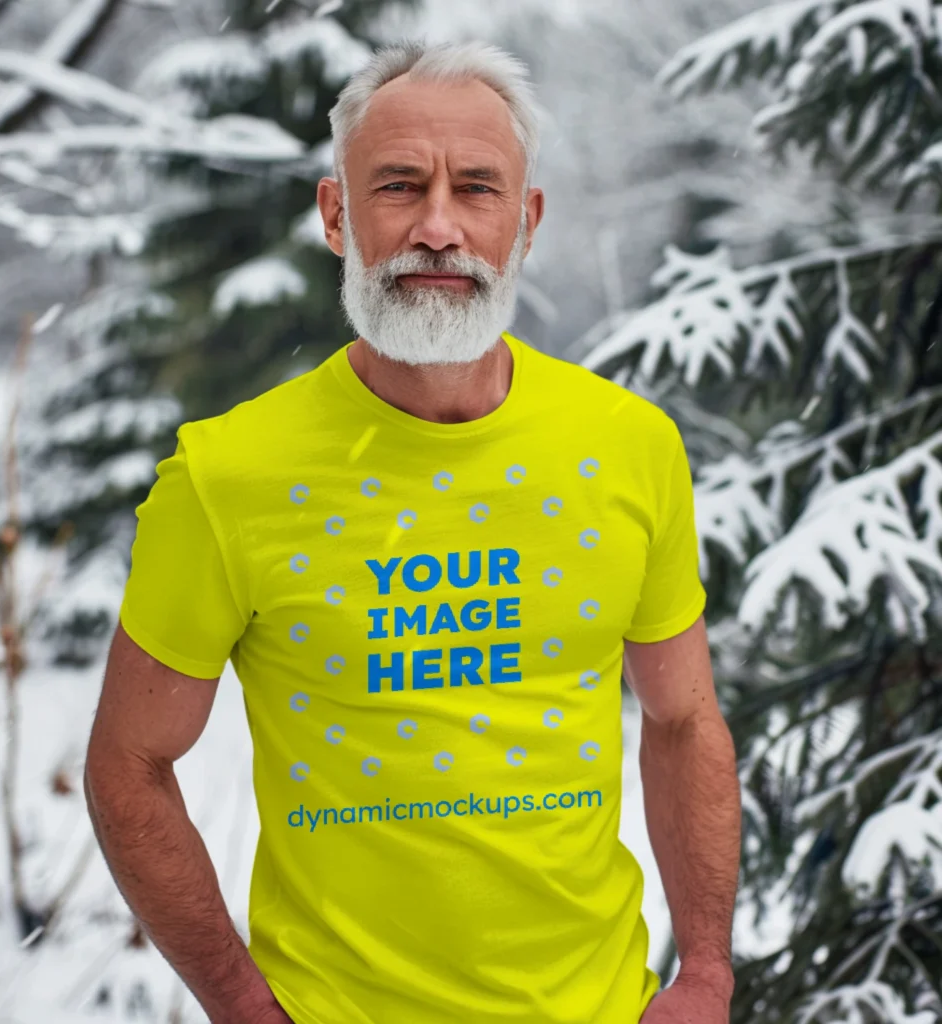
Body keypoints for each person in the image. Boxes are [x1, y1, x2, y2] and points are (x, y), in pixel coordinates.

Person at [84, 38, 741, 1024]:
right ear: (337, 215)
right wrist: (240, 1003)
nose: (438, 227)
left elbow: (683, 719)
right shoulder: (230, 473)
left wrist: (703, 973)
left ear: (525, 222)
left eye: (475, 189)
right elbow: (127, 763)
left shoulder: (626, 446)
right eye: (399, 185)